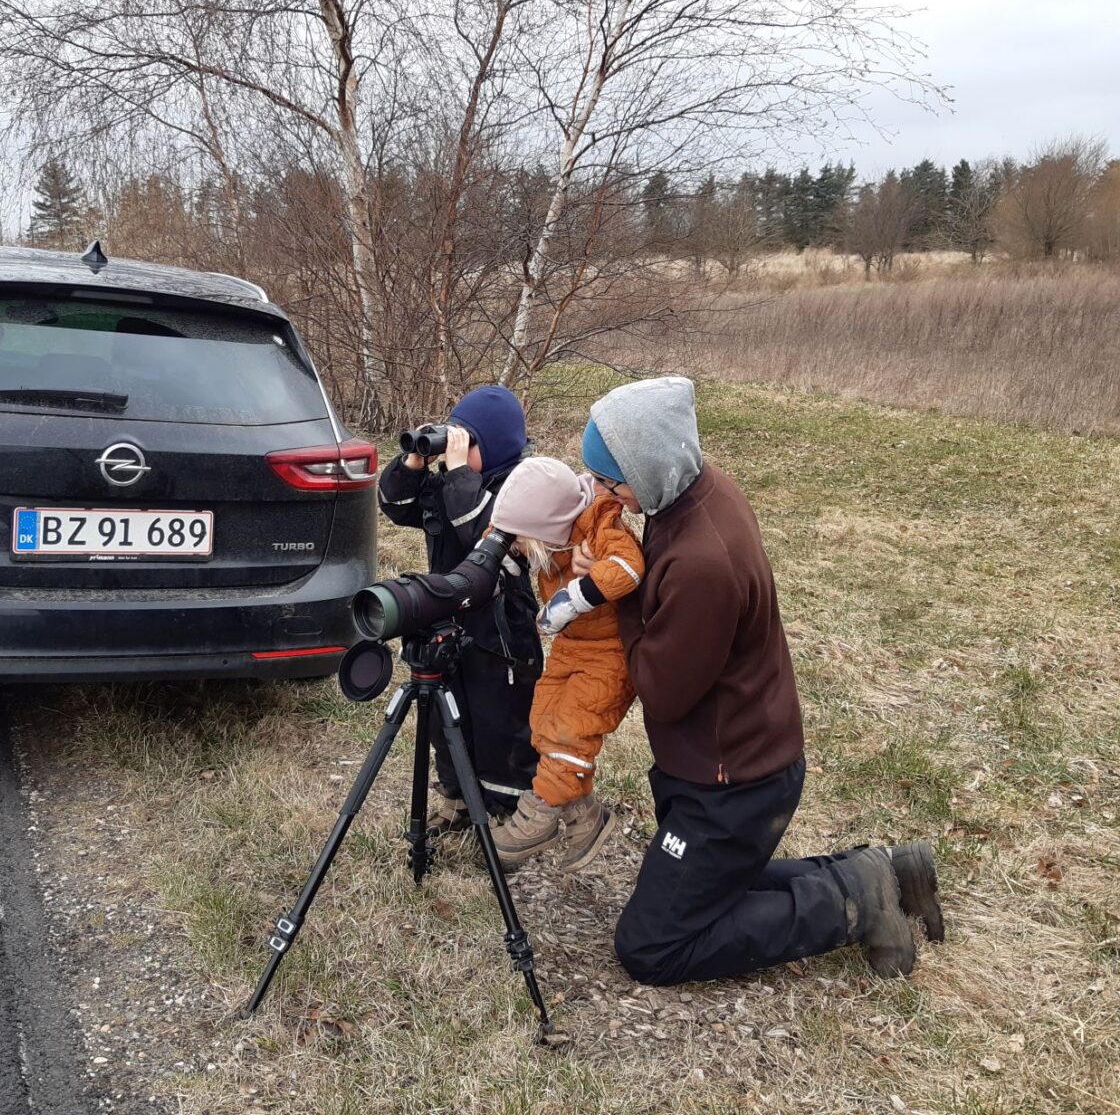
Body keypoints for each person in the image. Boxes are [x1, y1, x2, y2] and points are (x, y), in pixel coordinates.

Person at [574, 376, 945, 984]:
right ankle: (886, 871)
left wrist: (617, 595)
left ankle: (853, 907)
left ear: (649, 468)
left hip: (731, 787)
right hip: (738, 760)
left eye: (610, 481)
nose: (602, 495)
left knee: (652, 946)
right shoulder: (696, 489)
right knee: (702, 891)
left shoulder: (701, 565)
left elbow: (662, 693)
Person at [377, 386, 542, 829]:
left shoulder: (518, 487)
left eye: (467, 443)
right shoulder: (452, 483)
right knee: (445, 708)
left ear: (492, 447)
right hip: (448, 612)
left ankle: (504, 809)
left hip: (500, 625)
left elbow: (483, 532)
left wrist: (456, 474)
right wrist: (415, 461)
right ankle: (456, 795)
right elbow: (394, 505)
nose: (456, 451)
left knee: (500, 718)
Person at [484, 456, 644, 872]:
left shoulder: (600, 523)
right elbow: (510, 527)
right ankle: (586, 818)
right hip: (572, 645)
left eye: (521, 540)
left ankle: (537, 814)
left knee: (572, 734)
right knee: (544, 720)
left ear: (547, 529)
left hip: (609, 653)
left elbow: (628, 568)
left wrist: (573, 598)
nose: (519, 547)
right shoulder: (545, 523)